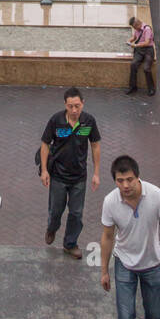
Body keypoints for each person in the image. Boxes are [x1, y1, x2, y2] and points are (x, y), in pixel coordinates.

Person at [100, 155, 160, 319]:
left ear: (138, 178)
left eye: (129, 179)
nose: (125, 185)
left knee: (154, 316)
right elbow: (108, 237)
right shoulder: (110, 202)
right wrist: (104, 271)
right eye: (120, 181)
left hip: (152, 263)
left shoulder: (154, 195)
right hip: (124, 264)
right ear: (115, 181)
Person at [40, 87, 101, 256]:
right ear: (65, 105)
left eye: (77, 106)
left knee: (76, 213)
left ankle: (70, 243)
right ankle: (52, 228)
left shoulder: (89, 122)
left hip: (79, 177)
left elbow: (95, 145)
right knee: (56, 210)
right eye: (70, 106)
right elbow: (45, 144)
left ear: (83, 103)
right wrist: (44, 170)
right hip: (58, 176)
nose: (74, 110)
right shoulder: (56, 121)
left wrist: (96, 173)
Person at [126, 16, 155, 95]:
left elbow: (147, 42)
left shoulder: (147, 29)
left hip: (148, 50)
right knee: (133, 64)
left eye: (134, 27)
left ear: (138, 24)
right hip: (140, 51)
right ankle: (133, 87)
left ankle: (151, 89)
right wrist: (129, 41)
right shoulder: (137, 29)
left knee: (146, 68)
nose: (134, 29)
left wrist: (135, 45)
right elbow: (135, 37)